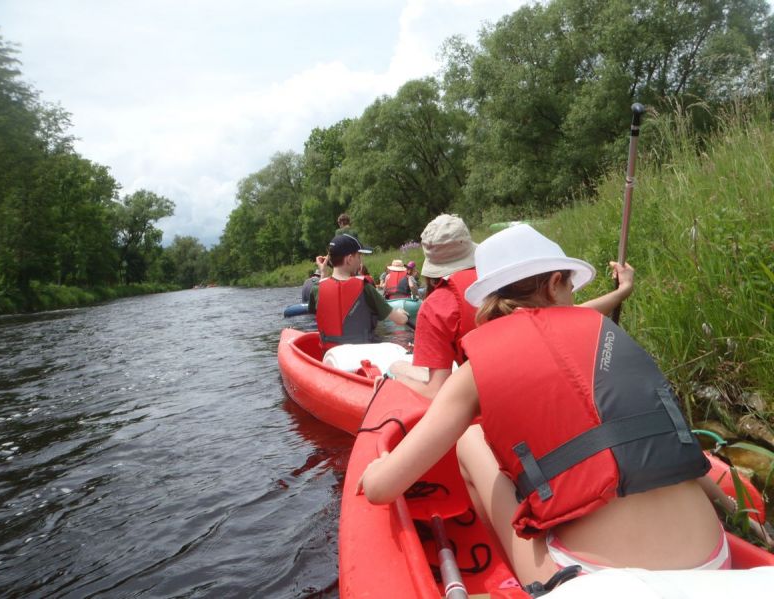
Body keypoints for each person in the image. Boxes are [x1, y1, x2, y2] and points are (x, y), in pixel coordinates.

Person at [358, 224, 742, 585]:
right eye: (572, 286)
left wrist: (376, 466)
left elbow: (380, 489)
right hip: (714, 558)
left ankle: (511, 575)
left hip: (592, 581)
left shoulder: (476, 370)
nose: (573, 295)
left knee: (471, 439)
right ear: (556, 283)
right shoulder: (604, 333)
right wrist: (737, 513)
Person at [390, 214, 634, 398]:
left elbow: (436, 391)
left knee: (398, 366)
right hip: (536, 394)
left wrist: (394, 377)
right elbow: (575, 315)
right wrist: (622, 292)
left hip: (480, 398)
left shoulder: (437, 306)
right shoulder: (508, 281)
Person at [308, 233, 408, 351]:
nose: (360, 261)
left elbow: (322, 302)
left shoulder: (316, 289)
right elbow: (400, 320)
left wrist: (323, 272)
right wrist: (402, 314)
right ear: (349, 259)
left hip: (330, 357)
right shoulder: (365, 288)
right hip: (361, 357)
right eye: (359, 256)